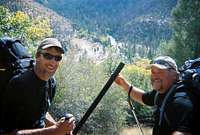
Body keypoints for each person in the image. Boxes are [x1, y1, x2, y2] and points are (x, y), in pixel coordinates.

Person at [0, 38, 75, 135]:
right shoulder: (20, 84)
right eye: (48, 56)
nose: (53, 62)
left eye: (57, 58)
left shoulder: (51, 83)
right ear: (38, 56)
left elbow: (41, 112)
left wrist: (60, 128)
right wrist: (54, 131)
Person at [115, 56, 195, 135]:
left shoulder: (181, 100)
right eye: (153, 71)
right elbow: (143, 98)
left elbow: (184, 132)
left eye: (160, 72)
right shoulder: (160, 93)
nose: (155, 76)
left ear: (175, 75)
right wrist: (124, 84)